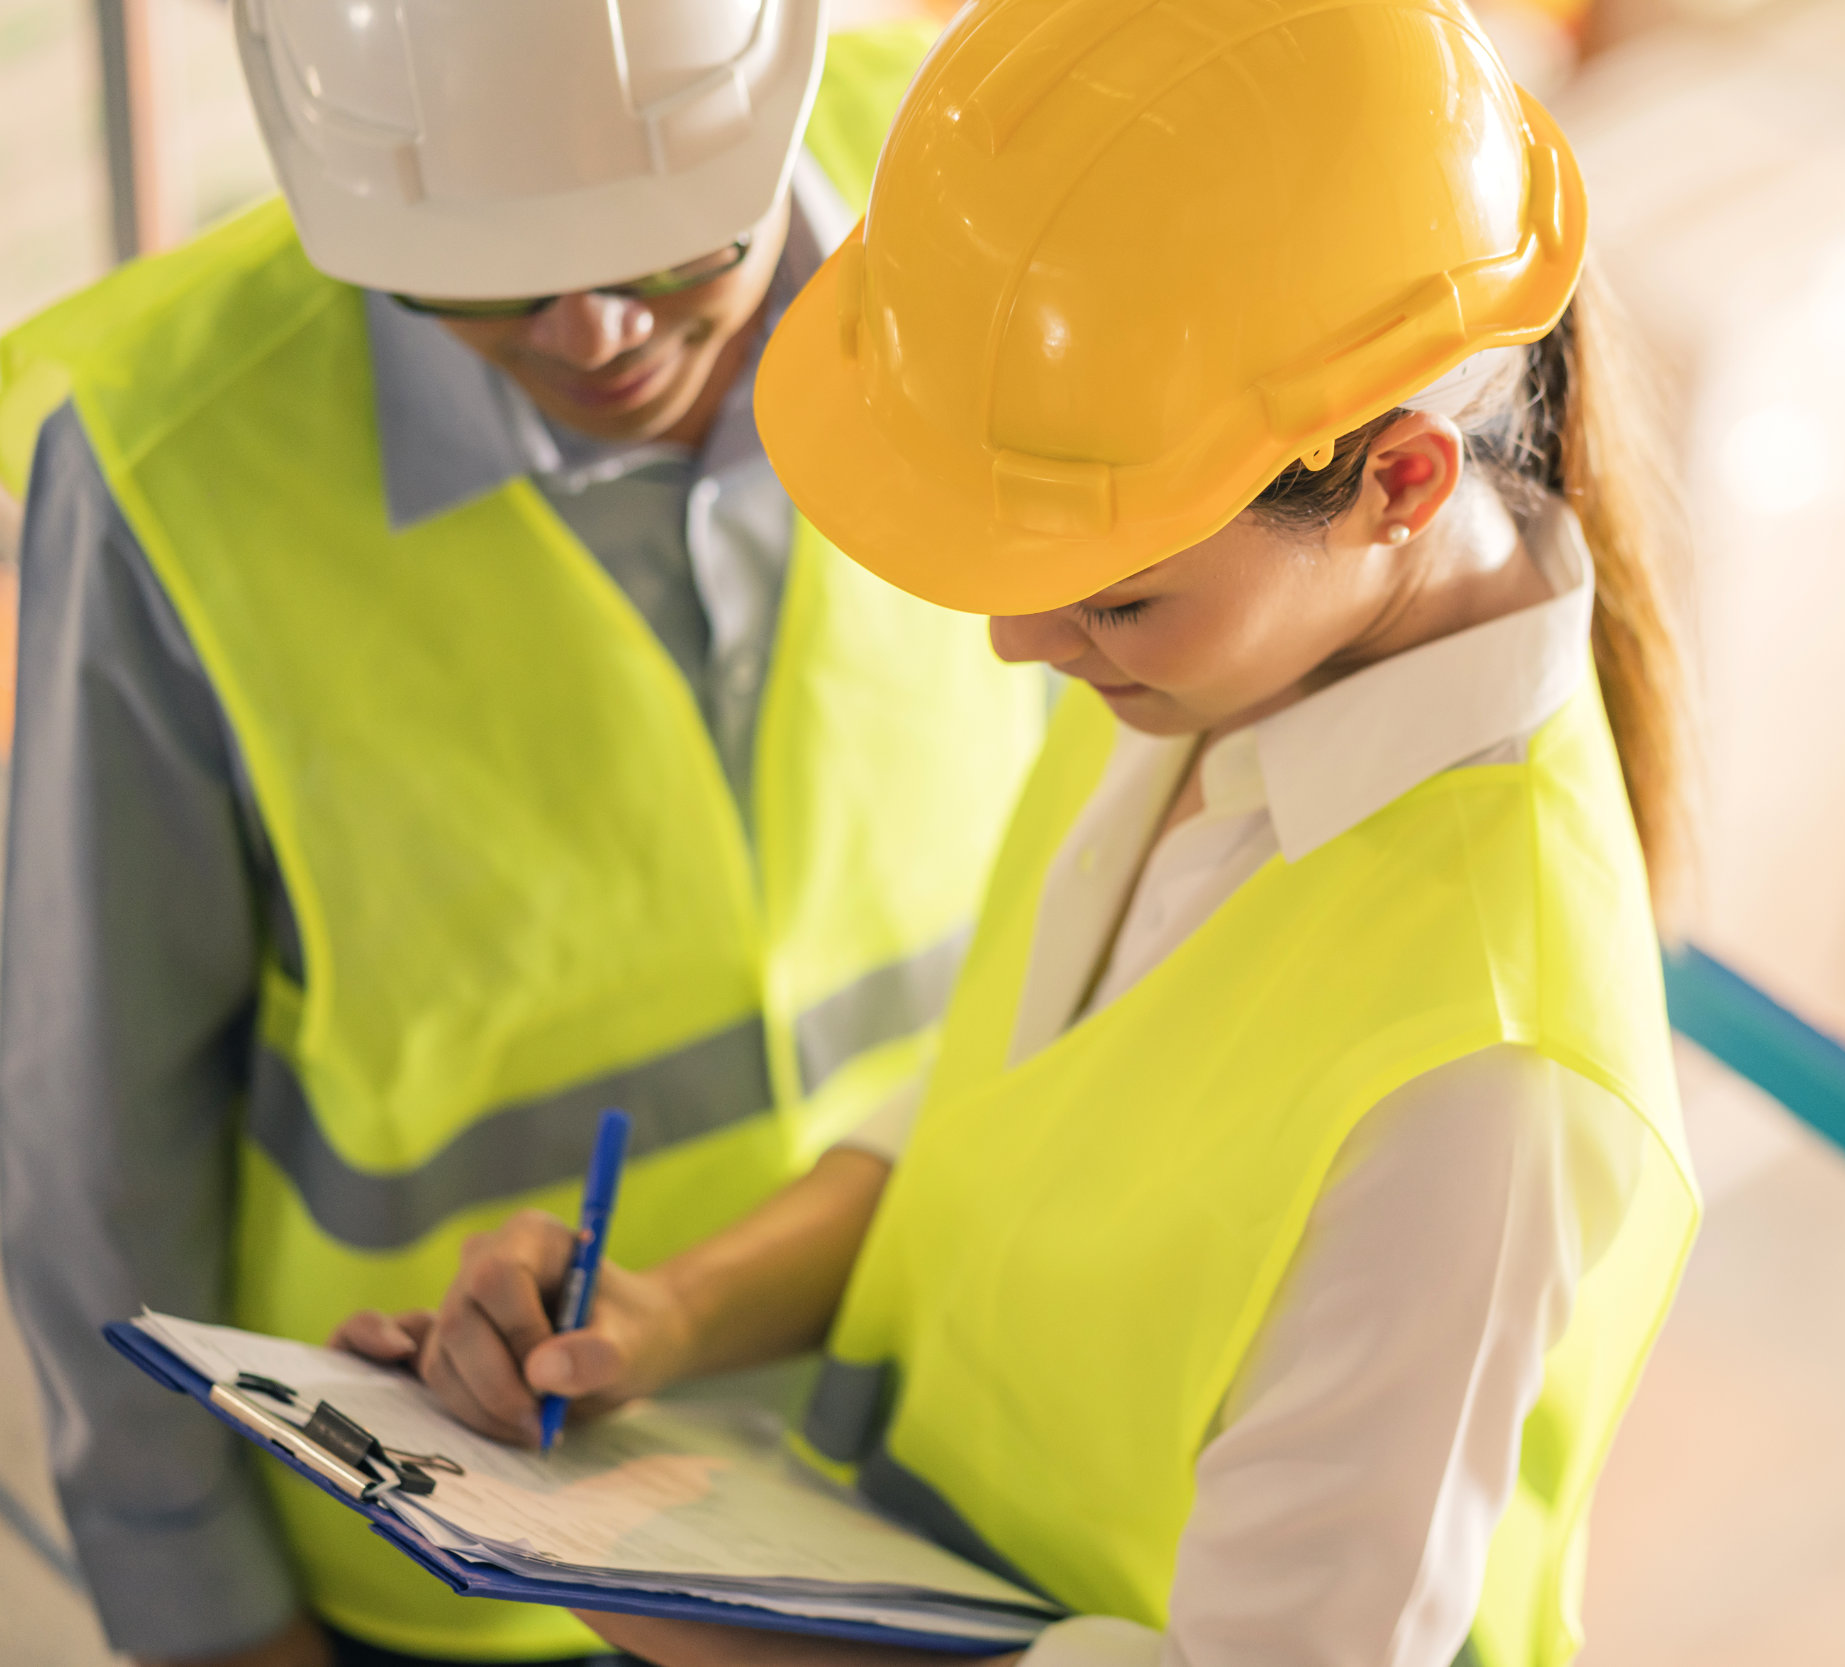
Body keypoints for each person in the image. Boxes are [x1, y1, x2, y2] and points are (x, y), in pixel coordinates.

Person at [344, 0, 1704, 1663]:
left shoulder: (1487, 1087)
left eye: (1113, 598)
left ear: (1401, 483)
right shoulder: (1218, 670)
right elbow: (1015, 1106)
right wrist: (673, 1311)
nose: (1021, 646)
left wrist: (618, 1585)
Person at [0, 5, 1040, 1667]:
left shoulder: (991, 203)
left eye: (673, 245)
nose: (600, 326)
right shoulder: (175, 467)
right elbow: (93, 1144)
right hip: (469, 1554)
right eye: (490, 272)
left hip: (941, 1468)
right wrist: (206, 1619)